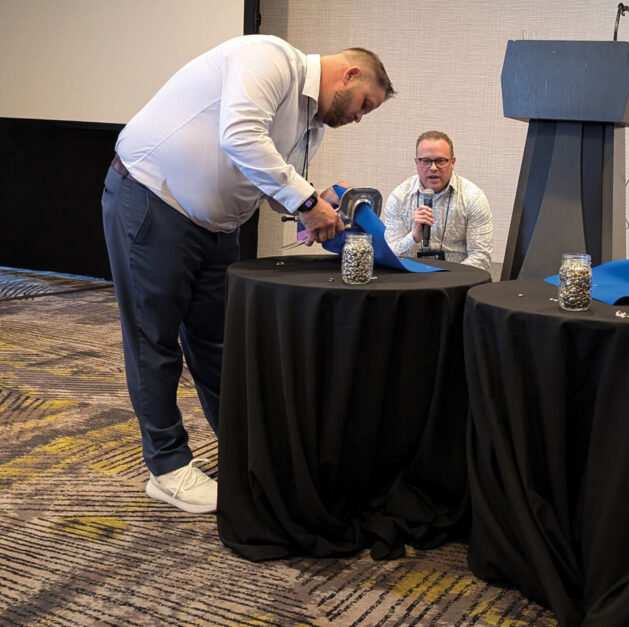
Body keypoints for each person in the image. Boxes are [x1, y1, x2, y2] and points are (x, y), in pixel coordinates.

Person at [102, 35, 394, 514]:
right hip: (153, 200)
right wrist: (306, 203)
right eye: (365, 105)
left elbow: (272, 180)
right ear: (350, 75)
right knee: (152, 340)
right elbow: (239, 135)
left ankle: (244, 449)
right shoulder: (270, 58)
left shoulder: (311, 127)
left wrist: (315, 205)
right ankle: (167, 468)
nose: (359, 118)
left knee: (220, 344)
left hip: (216, 227)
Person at [382, 130, 493, 272]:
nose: (433, 168)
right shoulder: (399, 197)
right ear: (417, 162)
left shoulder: (473, 198)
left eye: (440, 161)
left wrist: (446, 279)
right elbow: (391, 255)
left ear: (452, 162)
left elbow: (481, 257)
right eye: (426, 161)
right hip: (410, 278)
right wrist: (413, 237)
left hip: (457, 280)